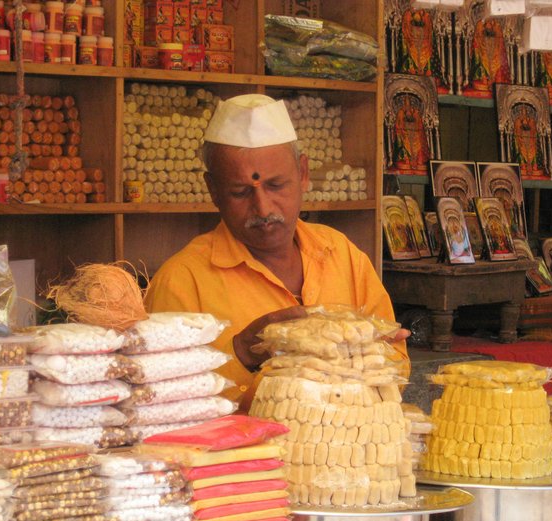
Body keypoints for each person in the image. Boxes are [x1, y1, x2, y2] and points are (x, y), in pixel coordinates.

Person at [145, 94, 409, 409]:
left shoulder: (342, 255)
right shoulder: (182, 282)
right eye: (240, 192)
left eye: (276, 185)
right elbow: (161, 402)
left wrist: (362, 364)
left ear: (303, 173)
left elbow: (397, 362)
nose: (263, 207)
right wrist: (240, 354)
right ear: (213, 190)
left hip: (346, 450)